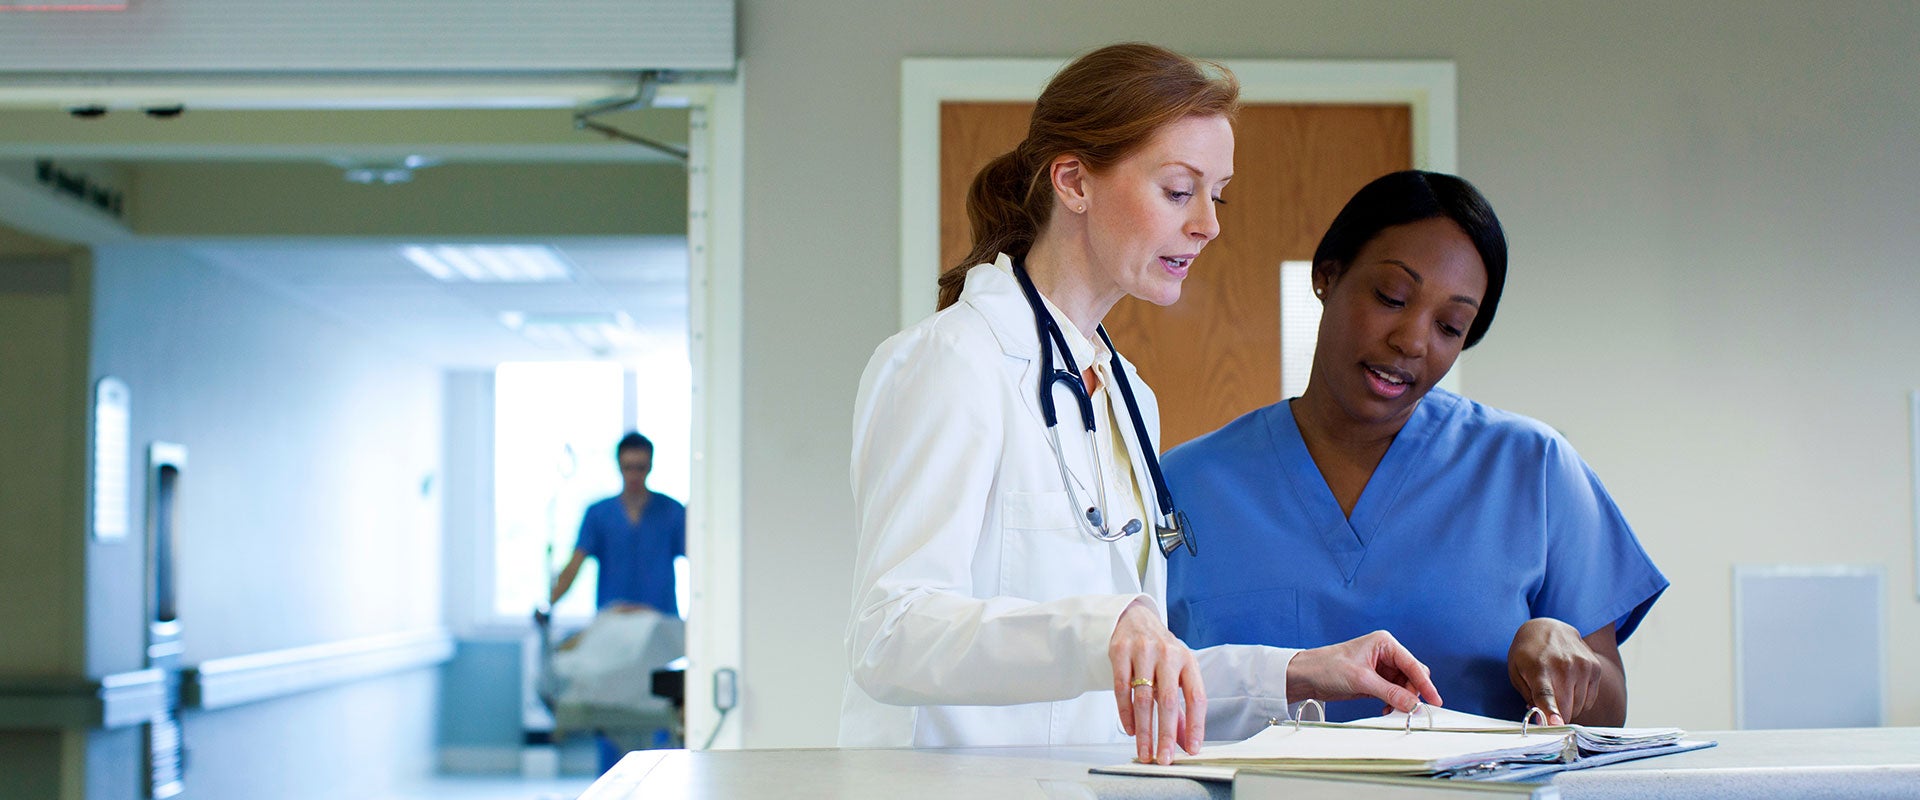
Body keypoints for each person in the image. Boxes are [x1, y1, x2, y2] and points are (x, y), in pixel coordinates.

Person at [841, 43, 1442, 766]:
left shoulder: (1127, 396)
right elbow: (890, 634)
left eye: (1216, 195)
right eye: (1179, 190)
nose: (1208, 226)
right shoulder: (954, 362)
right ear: (1073, 182)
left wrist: (1294, 672)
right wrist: (1106, 629)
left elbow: (1129, 675)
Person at [1164, 170, 1668, 727]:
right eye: (1391, 297)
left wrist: (1558, 647)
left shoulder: (1532, 468)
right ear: (1327, 276)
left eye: (1451, 326)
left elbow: (1609, 715)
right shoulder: (1184, 487)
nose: (1412, 341)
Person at [547, 432, 687, 617]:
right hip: (613, 621)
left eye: (640, 467)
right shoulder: (598, 514)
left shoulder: (672, 512)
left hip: (660, 622)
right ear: (619, 467)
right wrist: (548, 605)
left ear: (650, 466)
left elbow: (703, 563)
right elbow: (574, 566)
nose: (634, 475)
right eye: (628, 468)